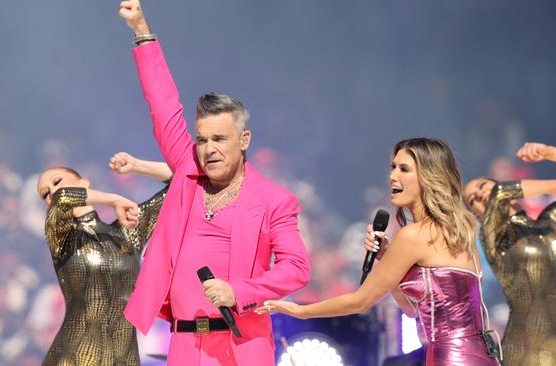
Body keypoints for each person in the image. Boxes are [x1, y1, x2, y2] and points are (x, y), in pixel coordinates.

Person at [117, 1, 310, 365]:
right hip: (185, 346)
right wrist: (142, 32)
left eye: (219, 139)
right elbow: (163, 107)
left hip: (241, 348)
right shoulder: (188, 173)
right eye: (202, 140)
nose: (208, 150)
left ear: (244, 139)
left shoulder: (274, 200)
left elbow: (296, 268)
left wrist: (239, 291)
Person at [259, 138, 499, 366]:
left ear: (428, 178)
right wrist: (387, 258)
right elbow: (411, 309)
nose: (393, 176)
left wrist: (300, 311)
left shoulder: (414, 235)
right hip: (479, 357)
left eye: (404, 169)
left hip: (449, 359)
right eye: (393, 167)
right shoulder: (460, 235)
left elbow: (361, 301)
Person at [463, 142, 556, 366]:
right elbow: (500, 194)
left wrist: (551, 153)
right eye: (473, 200)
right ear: (478, 215)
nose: (480, 194)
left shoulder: (552, 224)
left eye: (482, 186)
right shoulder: (495, 238)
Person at [38, 152, 171, 365]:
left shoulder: (128, 234)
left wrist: (137, 165)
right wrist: (114, 199)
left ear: (83, 183)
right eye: (45, 193)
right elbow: (62, 200)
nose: (53, 192)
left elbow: (181, 180)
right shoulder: (61, 236)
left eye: (57, 182)